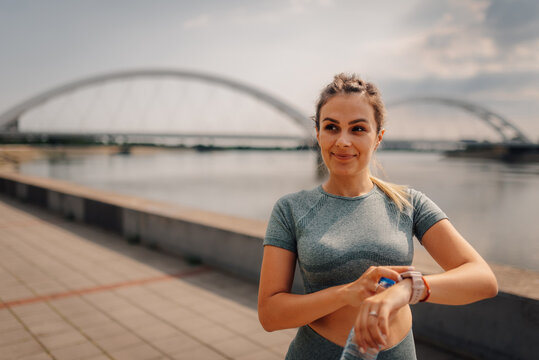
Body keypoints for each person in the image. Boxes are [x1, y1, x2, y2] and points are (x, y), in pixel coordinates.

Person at [257, 73, 498, 360]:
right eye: (331, 127)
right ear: (318, 134)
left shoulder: (409, 203)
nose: (343, 141)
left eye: (358, 129)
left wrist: (407, 290)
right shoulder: (290, 209)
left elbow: (483, 279)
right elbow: (270, 315)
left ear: (378, 137)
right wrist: (348, 293)